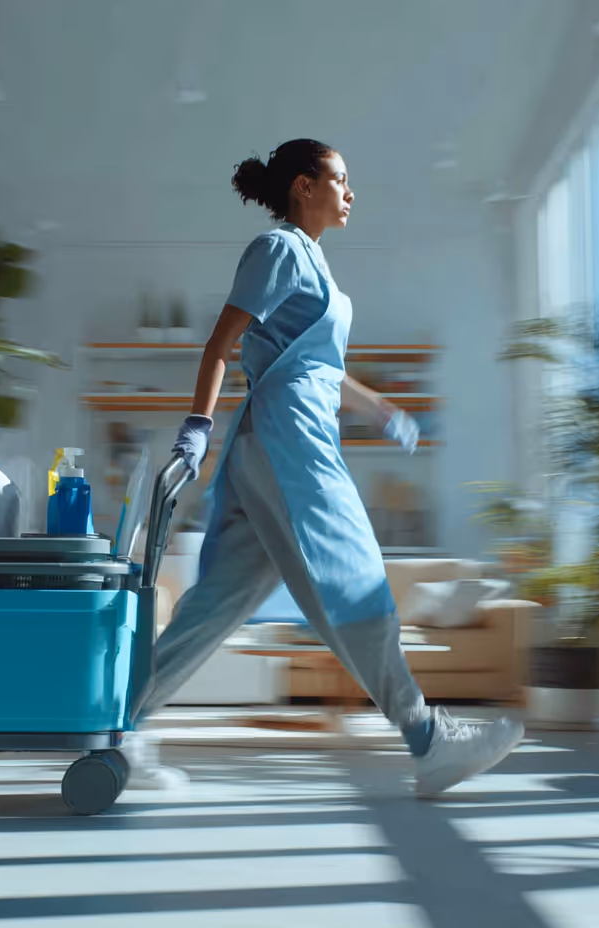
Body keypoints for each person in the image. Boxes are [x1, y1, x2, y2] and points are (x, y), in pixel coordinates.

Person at [126, 139, 523, 797]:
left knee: (215, 605)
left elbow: (323, 369)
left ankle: (118, 726)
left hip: (279, 439)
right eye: (340, 180)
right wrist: (197, 426)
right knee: (353, 576)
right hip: (290, 442)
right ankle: (427, 738)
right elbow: (222, 343)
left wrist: (380, 409)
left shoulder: (315, 265)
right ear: (304, 187)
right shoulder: (278, 249)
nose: (350, 193)